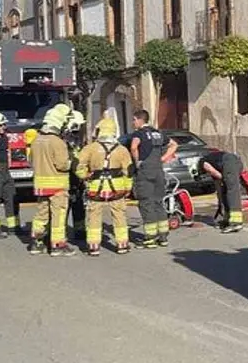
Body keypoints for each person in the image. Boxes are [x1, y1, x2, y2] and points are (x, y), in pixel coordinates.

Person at [76, 118, 133, 256]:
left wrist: (85, 176)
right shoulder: (122, 150)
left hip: (96, 188)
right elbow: (129, 170)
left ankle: (94, 246)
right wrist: (128, 187)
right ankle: (122, 245)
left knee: (94, 217)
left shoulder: (89, 148)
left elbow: (79, 167)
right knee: (119, 216)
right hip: (118, 188)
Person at [28, 104, 77, 256]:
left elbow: (31, 160)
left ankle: (36, 243)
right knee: (58, 216)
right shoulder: (58, 142)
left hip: (40, 185)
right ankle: (57, 245)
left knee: (41, 215)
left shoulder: (36, 140)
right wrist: (73, 161)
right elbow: (62, 165)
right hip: (57, 186)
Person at [128, 110, 177, 248]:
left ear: (139, 120)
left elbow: (133, 147)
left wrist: (137, 161)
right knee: (158, 202)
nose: (133, 123)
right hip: (158, 172)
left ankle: (150, 238)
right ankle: (163, 237)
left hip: (145, 172)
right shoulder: (158, 133)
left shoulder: (139, 134)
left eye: (134, 120)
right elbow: (174, 145)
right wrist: (163, 158)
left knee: (146, 203)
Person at [199, 149, 246, 234]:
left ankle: (236, 222)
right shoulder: (213, 160)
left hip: (229, 162)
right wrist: (220, 198)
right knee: (225, 191)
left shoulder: (202, 162)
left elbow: (215, 173)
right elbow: (219, 187)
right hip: (234, 163)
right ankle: (227, 219)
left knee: (232, 191)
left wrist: (224, 179)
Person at [64, 110, 87, 240]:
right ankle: (60, 233)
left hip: (77, 178)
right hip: (67, 177)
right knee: (64, 207)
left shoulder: (77, 139)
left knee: (78, 206)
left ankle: (80, 231)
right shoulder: (64, 141)